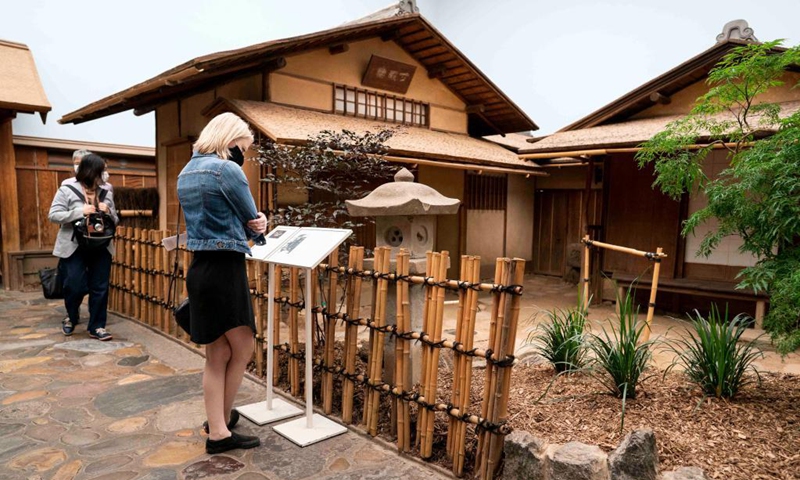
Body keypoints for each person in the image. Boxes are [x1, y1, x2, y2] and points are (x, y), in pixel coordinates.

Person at [177, 112, 267, 454]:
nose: (243, 155)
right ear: (231, 141)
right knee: (242, 348)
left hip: (200, 268)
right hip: (226, 268)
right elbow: (252, 222)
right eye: (242, 148)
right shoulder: (227, 169)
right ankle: (219, 430)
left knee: (217, 352)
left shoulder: (186, 172)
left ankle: (220, 422)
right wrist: (260, 224)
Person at [48, 153, 119, 340]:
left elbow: (116, 219)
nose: (104, 175)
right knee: (74, 285)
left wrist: (109, 212)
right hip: (74, 245)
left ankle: (97, 326)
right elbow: (53, 215)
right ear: (90, 171)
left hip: (101, 244)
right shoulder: (67, 189)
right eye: (100, 171)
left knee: (100, 286)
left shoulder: (107, 192)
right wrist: (80, 212)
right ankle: (71, 316)